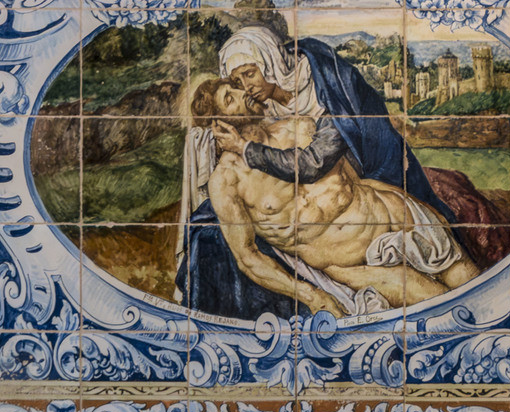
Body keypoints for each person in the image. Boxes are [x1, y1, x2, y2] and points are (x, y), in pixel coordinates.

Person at [176, 20, 446, 317]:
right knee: (437, 302)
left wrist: (401, 199)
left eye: (247, 78)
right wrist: (310, 293)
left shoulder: (305, 115)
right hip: (347, 260)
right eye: (235, 89)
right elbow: (247, 255)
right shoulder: (226, 181)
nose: (245, 91)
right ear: (218, 123)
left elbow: (332, 170)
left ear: (271, 62)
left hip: (390, 212)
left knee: (462, 277)